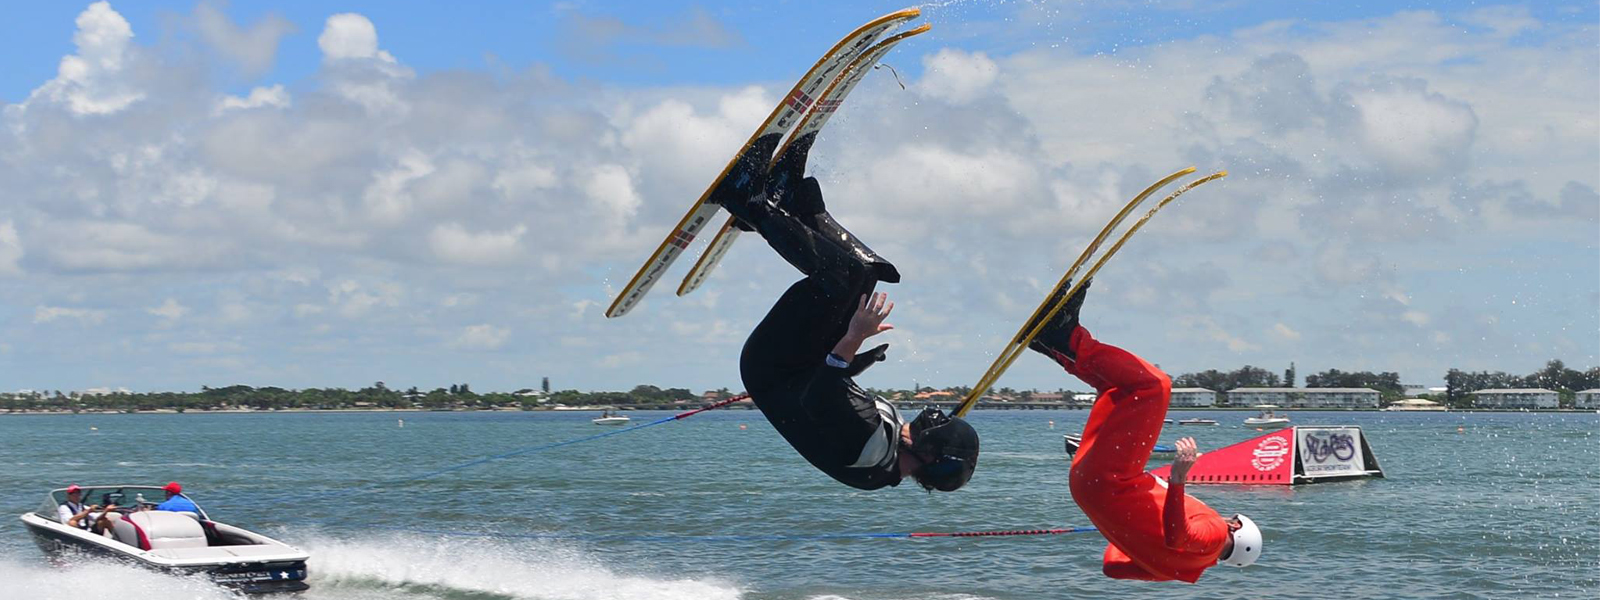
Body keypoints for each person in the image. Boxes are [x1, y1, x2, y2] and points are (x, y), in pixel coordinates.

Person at [721, 170, 979, 492]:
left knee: (838, 279)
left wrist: (854, 335)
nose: (933, 418)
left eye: (937, 427)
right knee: (866, 274)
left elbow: (821, 393)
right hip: (803, 365)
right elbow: (834, 396)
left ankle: (747, 201)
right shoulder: (888, 450)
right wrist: (861, 355)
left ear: (929, 455)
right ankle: (797, 203)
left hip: (772, 366)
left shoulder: (870, 448)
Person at [1025, 279, 1262, 582]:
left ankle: (1067, 338)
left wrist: (1178, 478)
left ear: (1236, 527)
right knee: (1118, 390)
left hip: (1112, 482)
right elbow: (1112, 567)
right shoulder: (1174, 571)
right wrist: (1128, 528)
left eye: (1233, 519)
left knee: (1154, 386)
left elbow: (1179, 536)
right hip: (1087, 490)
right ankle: (1051, 344)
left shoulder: (1216, 534)